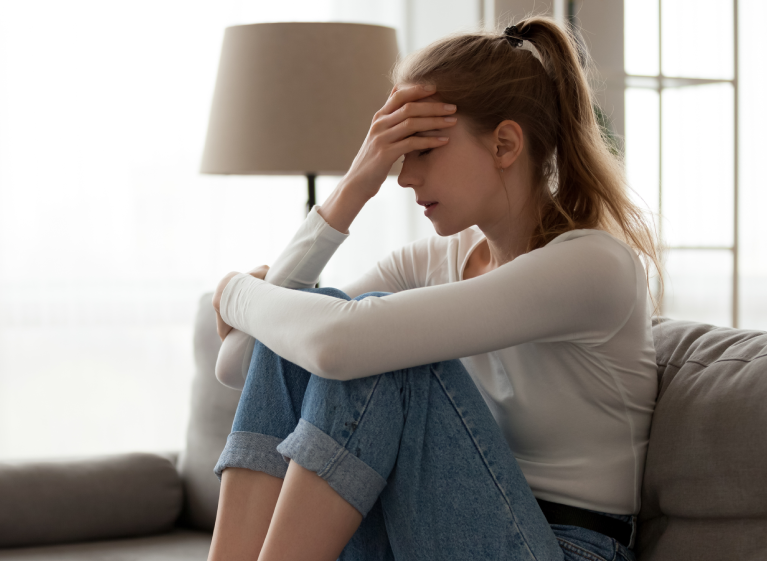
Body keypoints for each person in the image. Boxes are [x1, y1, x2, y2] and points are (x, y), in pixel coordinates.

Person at [207, 16, 658, 561]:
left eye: (421, 150)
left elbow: (337, 343)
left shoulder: (592, 266)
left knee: (377, 354)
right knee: (330, 330)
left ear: (505, 144)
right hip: (427, 528)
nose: (401, 177)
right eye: (394, 155)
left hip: (565, 548)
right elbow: (241, 363)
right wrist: (352, 188)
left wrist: (237, 292)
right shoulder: (430, 262)